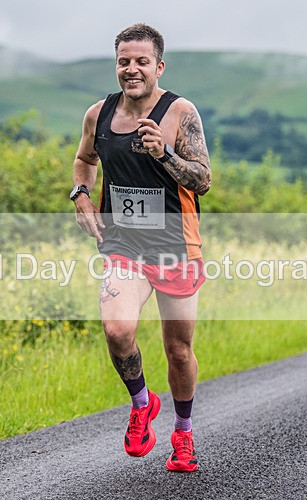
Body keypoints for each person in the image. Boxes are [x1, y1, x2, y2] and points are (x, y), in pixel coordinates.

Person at [70, 23, 211, 472]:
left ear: (158, 66)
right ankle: (141, 403)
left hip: (175, 246)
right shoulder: (99, 114)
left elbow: (203, 180)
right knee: (116, 331)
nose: (132, 69)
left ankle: (184, 434)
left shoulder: (180, 112)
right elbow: (84, 161)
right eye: (124, 61)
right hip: (123, 244)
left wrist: (164, 153)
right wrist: (81, 197)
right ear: (116, 66)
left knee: (179, 350)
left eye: (141, 61)